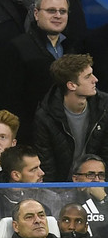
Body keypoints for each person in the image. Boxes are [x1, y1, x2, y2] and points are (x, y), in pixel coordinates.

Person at [2, 0, 77, 143]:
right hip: (32, 135)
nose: (57, 15)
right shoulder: (18, 47)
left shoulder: (74, 49)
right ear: (36, 14)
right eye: (51, 11)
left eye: (62, 11)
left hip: (70, 133)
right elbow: (10, 99)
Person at [34, 54, 108, 182]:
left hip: (97, 182)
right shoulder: (45, 116)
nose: (95, 79)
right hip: (62, 186)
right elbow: (47, 166)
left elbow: (106, 153)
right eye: (88, 76)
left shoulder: (104, 107)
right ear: (72, 85)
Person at [69, 154, 108, 238]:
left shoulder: (106, 198)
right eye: (90, 175)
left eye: (101, 175)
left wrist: (104, 199)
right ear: (76, 179)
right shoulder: (65, 199)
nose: (97, 180)